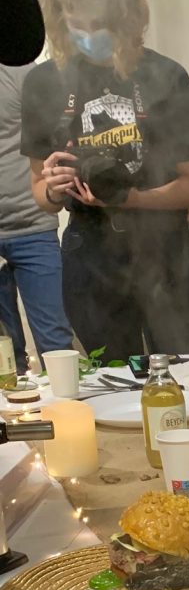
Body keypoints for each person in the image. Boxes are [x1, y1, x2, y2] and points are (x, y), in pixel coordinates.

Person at [19, 0, 189, 362]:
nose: (89, 30)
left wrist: (130, 198)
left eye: (98, 15)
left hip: (165, 248)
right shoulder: (44, 84)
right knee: (111, 380)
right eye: (75, 16)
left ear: (122, 5)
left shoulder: (165, 76)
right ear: (59, 13)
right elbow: (40, 191)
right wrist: (53, 188)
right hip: (90, 253)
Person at [0, 63, 74, 371]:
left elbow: (49, 137)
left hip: (33, 226)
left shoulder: (21, 71)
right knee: (4, 354)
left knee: (56, 343)